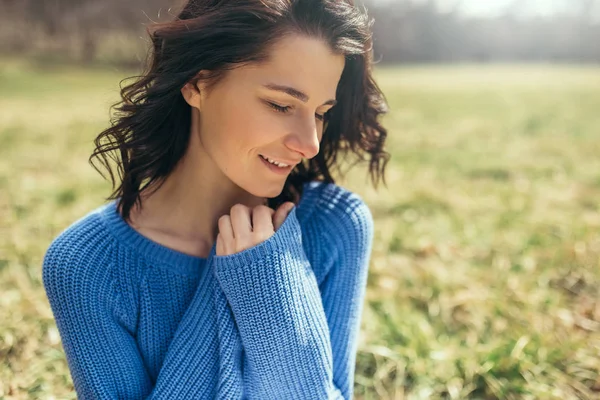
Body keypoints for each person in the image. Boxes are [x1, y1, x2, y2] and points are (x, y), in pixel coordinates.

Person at [41, 0, 390, 398]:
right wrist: (249, 284)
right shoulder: (88, 265)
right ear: (197, 84)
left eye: (321, 112)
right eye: (280, 105)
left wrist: (268, 287)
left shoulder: (333, 224)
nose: (309, 143)